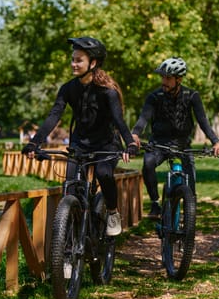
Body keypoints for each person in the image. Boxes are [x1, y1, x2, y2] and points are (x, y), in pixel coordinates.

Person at [22, 36, 137, 236]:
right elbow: (54, 116)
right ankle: (71, 238)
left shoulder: (107, 92)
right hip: (79, 144)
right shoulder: (68, 89)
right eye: (73, 59)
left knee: (103, 173)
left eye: (78, 60)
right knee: (70, 186)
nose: (73, 64)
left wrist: (129, 144)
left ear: (93, 63)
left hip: (105, 144)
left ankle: (112, 212)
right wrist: (34, 142)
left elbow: (119, 120)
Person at [131, 57, 219, 218]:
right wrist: (135, 134)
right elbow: (143, 119)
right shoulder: (154, 97)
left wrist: (215, 141)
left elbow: (202, 121)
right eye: (162, 77)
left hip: (183, 144)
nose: (163, 81)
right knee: (147, 164)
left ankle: (190, 215)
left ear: (179, 79)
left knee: (191, 183)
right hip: (159, 143)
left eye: (168, 78)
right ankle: (155, 204)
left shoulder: (192, 95)